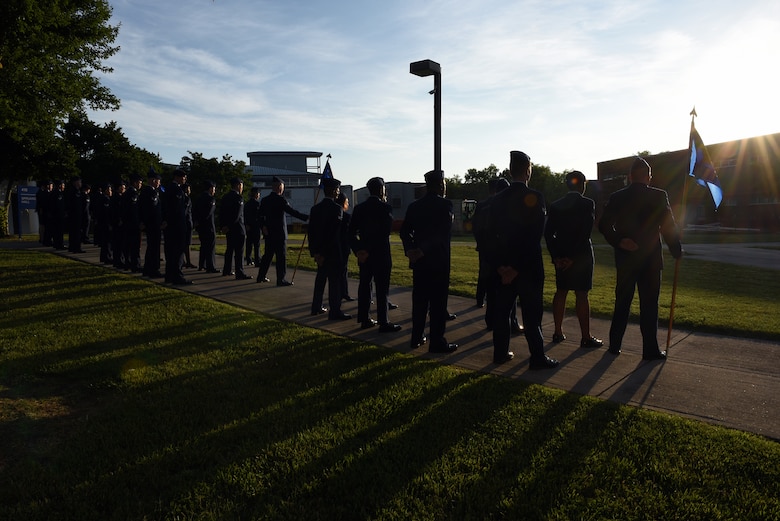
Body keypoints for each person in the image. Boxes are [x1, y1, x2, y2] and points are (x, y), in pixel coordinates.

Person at [598, 156, 682, 360]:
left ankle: (615, 345)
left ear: (629, 177)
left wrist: (619, 241)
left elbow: (603, 225)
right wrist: (676, 250)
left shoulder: (618, 197)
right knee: (649, 306)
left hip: (626, 258)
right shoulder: (659, 196)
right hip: (651, 260)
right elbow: (668, 227)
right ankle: (650, 349)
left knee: (622, 303)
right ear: (649, 177)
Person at [486, 150, 558, 369]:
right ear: (528, 171)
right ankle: (537, 357)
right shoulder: (535, 197)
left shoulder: (497, 200)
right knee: (532, 314)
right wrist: (516, 268)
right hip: (528, 268)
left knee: (502, 313)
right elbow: (534, 236)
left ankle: (500, 353)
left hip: (503, 268)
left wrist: (502, 267)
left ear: (510, 170)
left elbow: (490, 235)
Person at [400, 170, 457, 353]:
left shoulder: (414, 206)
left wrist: (411, 249)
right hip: (438, 261)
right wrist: (423, 250)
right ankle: (437, 341)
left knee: (420, 301)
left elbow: (404, 231)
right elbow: (442, 234)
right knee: (438, 304)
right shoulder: (445, 205)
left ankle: (416, 337)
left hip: (419, 262)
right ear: (441, 185)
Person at [544, 170, 602, 348]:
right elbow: (585, 233)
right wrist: (573, 257)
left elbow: (548, 233)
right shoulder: (587, 204)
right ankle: (585, 336)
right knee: (582, 294)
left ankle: (557, 331)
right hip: (581, 256)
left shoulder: (556, 205)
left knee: (561, 291)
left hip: (561, 255)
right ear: (583, 185)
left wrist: (557, 257)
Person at [349, 177, 401, 332]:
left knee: (365, 285)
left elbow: (350, 232)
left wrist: (360, 250)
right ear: (381, 190)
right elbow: (384, 232)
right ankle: (383, 321)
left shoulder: (359, 208)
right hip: (381, 254)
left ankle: (364, 319)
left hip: (364, 255)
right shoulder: (385, 208)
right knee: (382, 289)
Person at [472, 177, 522, 333]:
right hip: (503, 252)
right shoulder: (507, 204)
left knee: (490, 286)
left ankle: (490, 320)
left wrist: (482, 244)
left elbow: (475, 227)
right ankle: (511, 322)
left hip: (486, 251)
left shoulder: (482, 205)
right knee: (508, 290)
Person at [308, 177, 350, 320]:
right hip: (332, 252)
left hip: (320, 253)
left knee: (320, 280)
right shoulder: (337, 209)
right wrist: (324, 253)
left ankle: (316, 307)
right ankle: (335, 311)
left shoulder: (315, 209)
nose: (338, 192)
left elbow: (311, 233)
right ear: (333, 191)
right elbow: (332, 234)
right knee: (335, 283)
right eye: (337, 189)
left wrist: (316, 253)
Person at [256, 176, 309, 286]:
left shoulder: (265, 200)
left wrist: (263, 227)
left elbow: (260, 216)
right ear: (280, 187)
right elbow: (292, 212)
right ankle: (281, 279)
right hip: (279, 233)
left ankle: (260, 276)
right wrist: (306, 217)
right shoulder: (281, 200)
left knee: (267, 256)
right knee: (281, 258)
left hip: (269, 233)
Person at [162, 169, 191, 285]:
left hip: (170, 226)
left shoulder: (168, 188)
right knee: (178, 252)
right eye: (183, 177)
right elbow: (176, 210)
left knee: (170, 253)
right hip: (177, 226)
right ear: (177, 177)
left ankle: (169, 276)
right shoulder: (177, 190)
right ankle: (177, 276)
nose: (185, 179)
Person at [220, 177, 252, 280]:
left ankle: (227, 269)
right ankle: (240, 272)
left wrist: (224, 226)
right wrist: (229, 225)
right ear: (238, 185)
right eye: (241, 186)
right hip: (237, 228)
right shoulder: (238, 198)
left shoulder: (225, 197)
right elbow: (237, 215)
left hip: (229, 229)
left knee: (229, 249)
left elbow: (222, 213)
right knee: (239, 252)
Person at [139, 168, 163, 278]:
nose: (159, 183)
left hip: (152, 223)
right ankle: (153, 269)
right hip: (153, 224)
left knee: (152, 248)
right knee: (154, 248)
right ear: (153, 180)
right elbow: (150, 210)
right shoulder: (150, 192)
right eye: (158, 180)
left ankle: (148, 269)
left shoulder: (147, 191)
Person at [194, 180, 219, 273]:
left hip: (200, 226)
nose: (214, 191)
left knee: (203, 246)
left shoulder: (199, 198)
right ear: (210, 189)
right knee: (210, 247)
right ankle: (210, 266)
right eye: (214, 189)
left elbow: (195, 211)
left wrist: (197, 222)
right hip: (208, 226)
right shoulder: (211, 199)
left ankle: (202, 264)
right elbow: (208, 213)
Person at [122, 173, 144, 272]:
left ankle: (128, 263)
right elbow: (134, 211)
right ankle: (135, 265)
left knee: (128, 245)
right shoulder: (133, 194)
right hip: (133, 224)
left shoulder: (126, 193)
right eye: (139, 182)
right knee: (134, 246)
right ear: (135, 183)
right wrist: (138, 222)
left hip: (127, 223)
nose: (140, 185)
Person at [65, 176, 85, 253]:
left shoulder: (77, 191)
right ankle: (76, 247)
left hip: (76, 214)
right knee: (76, 232)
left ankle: (72, 247)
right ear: (75, 182)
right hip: (74, 215)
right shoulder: (73, 191)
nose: (80, 183)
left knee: (74, 232)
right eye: (79, 182)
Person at [110, 179, 126, 269]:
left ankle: (119, 260)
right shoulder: (117, 198)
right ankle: (118, 260)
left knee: (120, 243)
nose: (124, 189)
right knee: (118, 243)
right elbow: (115, 211)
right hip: (117, 223)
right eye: (123, 187)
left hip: (118, 223)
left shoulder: (119, 197)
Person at [244, 186, 262, 266]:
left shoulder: (247, 204)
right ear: (256, 194)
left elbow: (244, 215)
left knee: (249, 244)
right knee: (257, 245)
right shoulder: (258, 204)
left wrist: (246, 224)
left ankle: (248, 259)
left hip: (249, 226)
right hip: (256, 226)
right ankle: (257, 260)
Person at [182, 183, 196, 269]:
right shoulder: (186, 199)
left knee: (185, 244)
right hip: (186, 223)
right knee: (187, 244)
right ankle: (188, 261)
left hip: (185, 223)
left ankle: (184, 260)